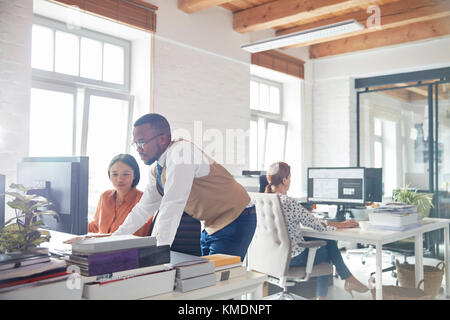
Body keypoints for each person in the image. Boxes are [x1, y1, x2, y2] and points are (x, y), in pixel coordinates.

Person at [112, 113, 256, 261]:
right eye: (135, 143)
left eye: (142, 142)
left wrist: (159, 254)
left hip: (236, 217)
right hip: (210, 224)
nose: (138, 149)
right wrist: (112, 241)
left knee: (217, 279)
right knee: (207, 279)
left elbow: (172, 205)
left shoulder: (181, 153)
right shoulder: (157, 169)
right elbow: (143, 209)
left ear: (162, 139)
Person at [265, 161, 369, 300]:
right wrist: (342, 225)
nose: (290, 180)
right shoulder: (289, 202)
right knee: (328, 247)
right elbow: (318, 226)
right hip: (292, 258)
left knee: (324, 241)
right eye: (289, 178)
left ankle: (346, 280)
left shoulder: (263, 200)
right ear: (284, 180)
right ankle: (341, 283)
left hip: (272, 257)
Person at [88, 154, 152, 236]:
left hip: (128, 248)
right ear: (109, 175)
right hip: (102, 247)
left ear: (134, 175)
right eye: (115, 174)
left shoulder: (143, 199)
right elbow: (95, 226)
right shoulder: (105, 196)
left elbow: (135, 235)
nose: (120, 179)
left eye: (126, 174)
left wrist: (99, 238)